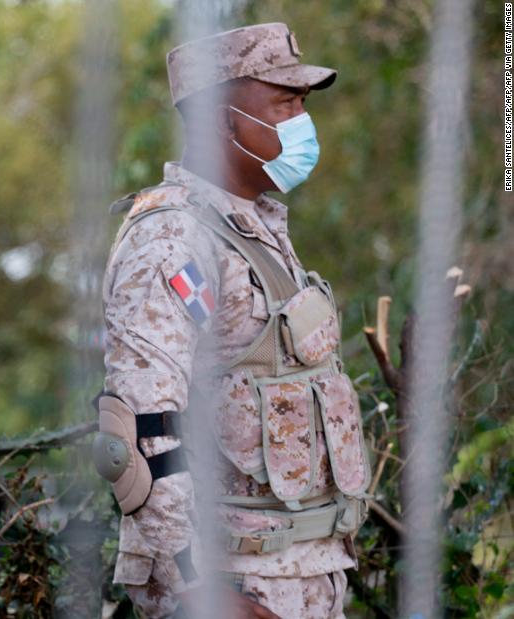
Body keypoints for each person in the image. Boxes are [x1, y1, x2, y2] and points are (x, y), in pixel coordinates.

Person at [95, 23, 370, 619]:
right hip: (239, 587)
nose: (303, 122)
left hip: (304, 576)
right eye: (286, 102)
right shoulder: (175, 237)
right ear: (222, 120)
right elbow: (136, 436)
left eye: (304, 103)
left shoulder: (258, 226)